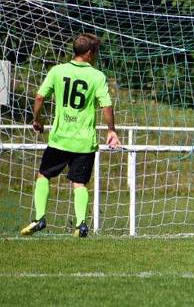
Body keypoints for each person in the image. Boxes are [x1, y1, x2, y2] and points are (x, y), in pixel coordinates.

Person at [21, 33, 121, 238]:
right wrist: (111, 130)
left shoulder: (57, 71)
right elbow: (106, 106)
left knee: (44, 175)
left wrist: (37, 119)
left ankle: (39, 218)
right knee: (79, 183)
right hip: (84, 142)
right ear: (90, 53)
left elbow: (40, 96)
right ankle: (81, 225)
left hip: (60, 138)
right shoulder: (97, 76)